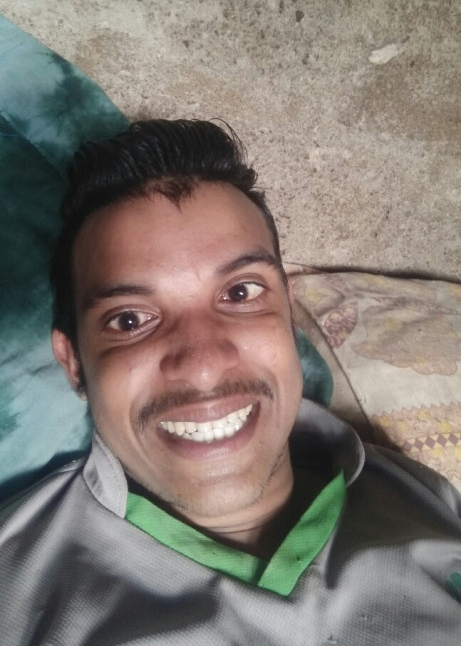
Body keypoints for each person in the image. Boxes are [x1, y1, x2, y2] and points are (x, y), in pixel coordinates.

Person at [0, 119, 460, 646]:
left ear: (288, 312)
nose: (202, 365)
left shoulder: (424, 498)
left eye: (240, 293)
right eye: (129, 320)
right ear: (73, 362)